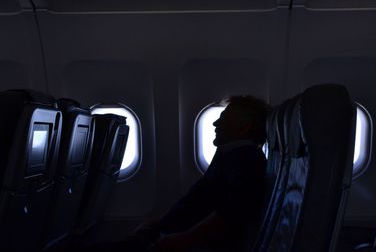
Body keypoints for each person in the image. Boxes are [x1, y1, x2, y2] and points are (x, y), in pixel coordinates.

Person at [87, 95, 270, 252]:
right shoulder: (228, 155)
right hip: (167, 234)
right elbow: (197, 201)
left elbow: (232, 215)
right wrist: (157, 222)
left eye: (225, 118)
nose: (216, 123)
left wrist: (184, 239)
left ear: (244, 127)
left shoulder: (247, 161)